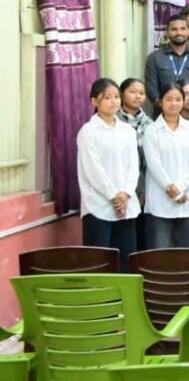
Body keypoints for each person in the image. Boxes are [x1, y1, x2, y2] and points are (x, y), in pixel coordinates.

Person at [78, 78, 141, 270]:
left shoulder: (127, 130)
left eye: (116, 97)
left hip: (126, 206)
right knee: (99, 263)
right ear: (94, 101)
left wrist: (126, 194)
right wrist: (114, 195)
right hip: (98, 205)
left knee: (125, 262)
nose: (113, 101)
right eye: (107, 97)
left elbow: (133, 165)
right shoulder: (88, 131)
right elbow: (93, 169)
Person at [142, 82, 189, 249]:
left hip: (187, 197)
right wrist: (171, 188)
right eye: (169, 99)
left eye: (178, 99)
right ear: (160, 102)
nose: (173, 103)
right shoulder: (152, 130)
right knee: (160, 254)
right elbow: (153, 164)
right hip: (160, 198)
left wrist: (180, 188)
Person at [116, 77, 152, 247]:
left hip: (143, 185)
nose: (138, 96)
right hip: (118, 185)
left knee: (141, 235)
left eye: (141, 93)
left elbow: (151, 161)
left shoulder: (149, 124)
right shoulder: (114, 120)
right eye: (133, 92)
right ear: (122, 94)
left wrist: (144, 188)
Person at [145, 15, 189, 105]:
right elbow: (151, 90)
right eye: (174, 29)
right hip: (164, 110)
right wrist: (167, 107)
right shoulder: (154, 58)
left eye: (183, 29)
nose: (179, 33)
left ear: (188, 31)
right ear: (167, 32)